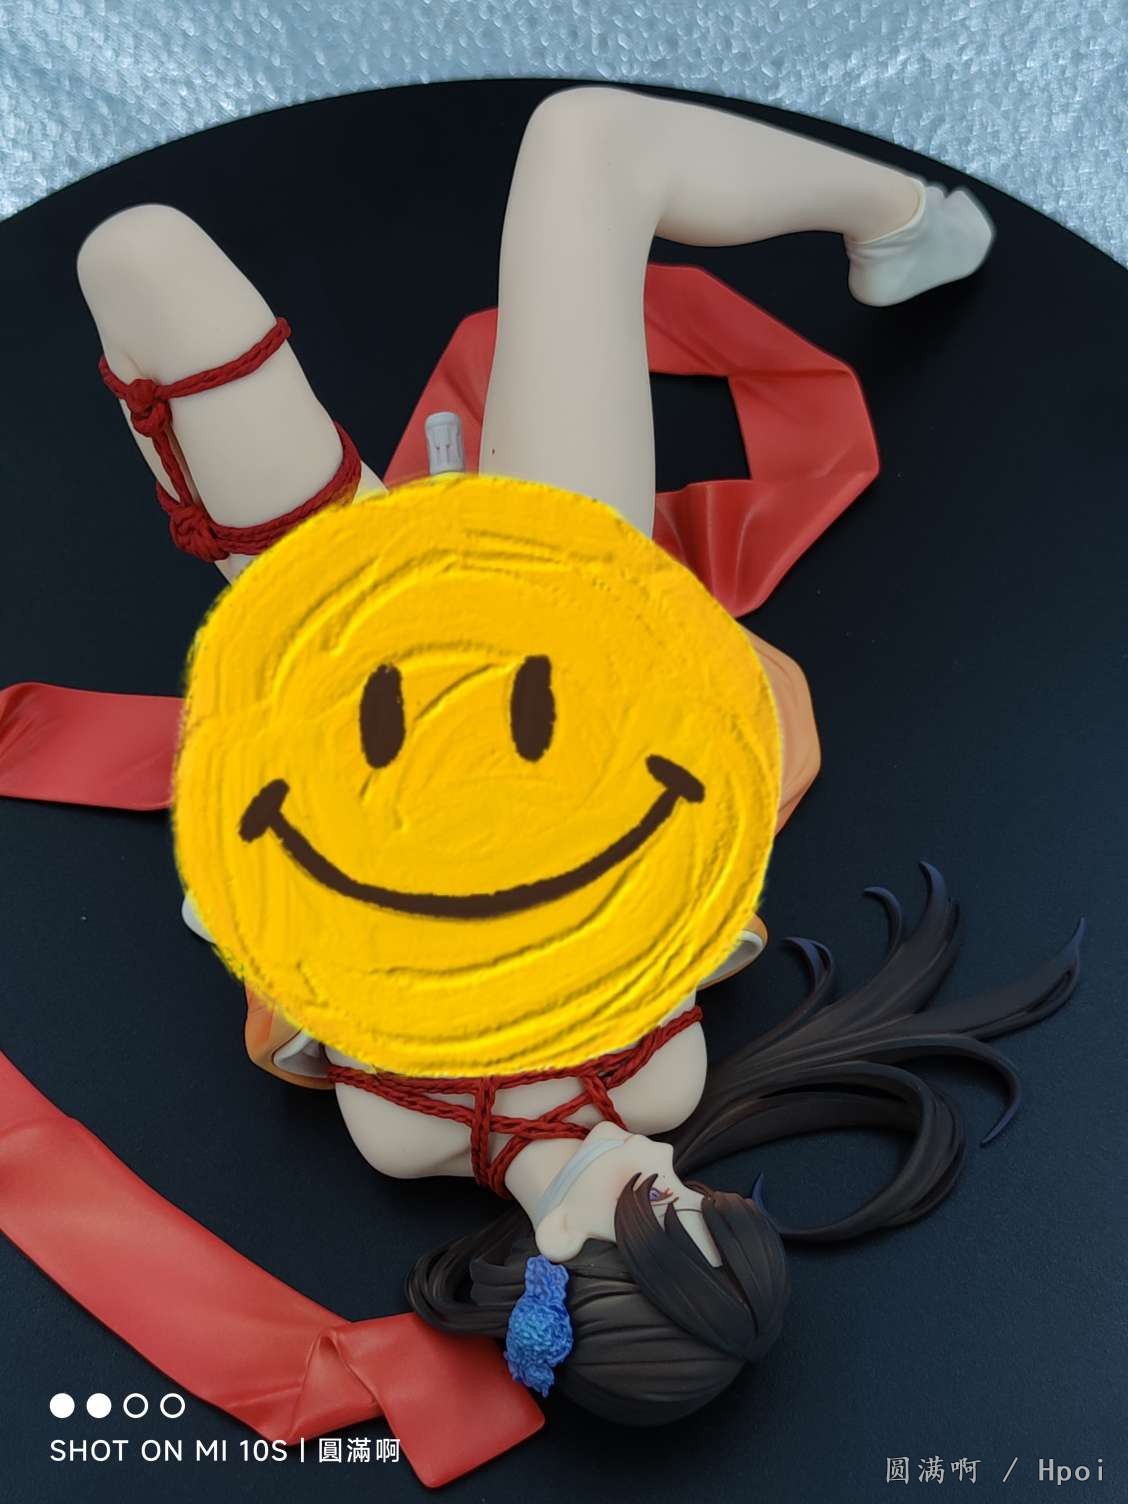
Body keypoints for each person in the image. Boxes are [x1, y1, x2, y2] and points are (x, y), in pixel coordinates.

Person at [75, 86, 1011, 1424]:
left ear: (559, 1262)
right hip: (550, 625)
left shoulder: (403, 1135)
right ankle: (906, 219)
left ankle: (907, 221)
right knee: (585, 142)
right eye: (709, 1202)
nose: (679, 1178)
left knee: (139, 258)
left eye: (671, 1219)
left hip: (358, 651)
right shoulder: (664, 1080)